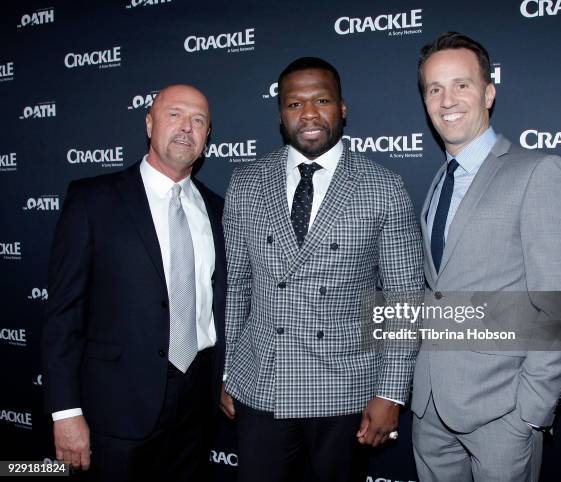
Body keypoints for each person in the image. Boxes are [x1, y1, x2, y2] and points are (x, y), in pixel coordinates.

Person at [220, 57, 423, 482]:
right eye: (294, 104)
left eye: (322, 100)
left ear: (342, 108)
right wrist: (228, 371)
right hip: (261, 382)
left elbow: (404, 301)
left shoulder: (383, 187)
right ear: (280, 114)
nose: (309, 113)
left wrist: (390, 392)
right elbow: (237, 284)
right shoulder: (246, 181)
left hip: (346, 390)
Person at [411, 32, 561, 481]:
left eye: (461, 84)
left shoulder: (537, 172)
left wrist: (529, 411)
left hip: (501, 412)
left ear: (488, 92)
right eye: (434, 88)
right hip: (430, 408)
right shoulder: (439, 180)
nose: (447, 99)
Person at [42, 84, 226, 481]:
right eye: (174, 114)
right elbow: (63, 314)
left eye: (198, 121)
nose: (186, 128)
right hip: (115, 407)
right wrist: (65, 412)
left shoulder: (217, 209)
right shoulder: (93, 200)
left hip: (197, 399)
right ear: (149, 123)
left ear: (207, 137)